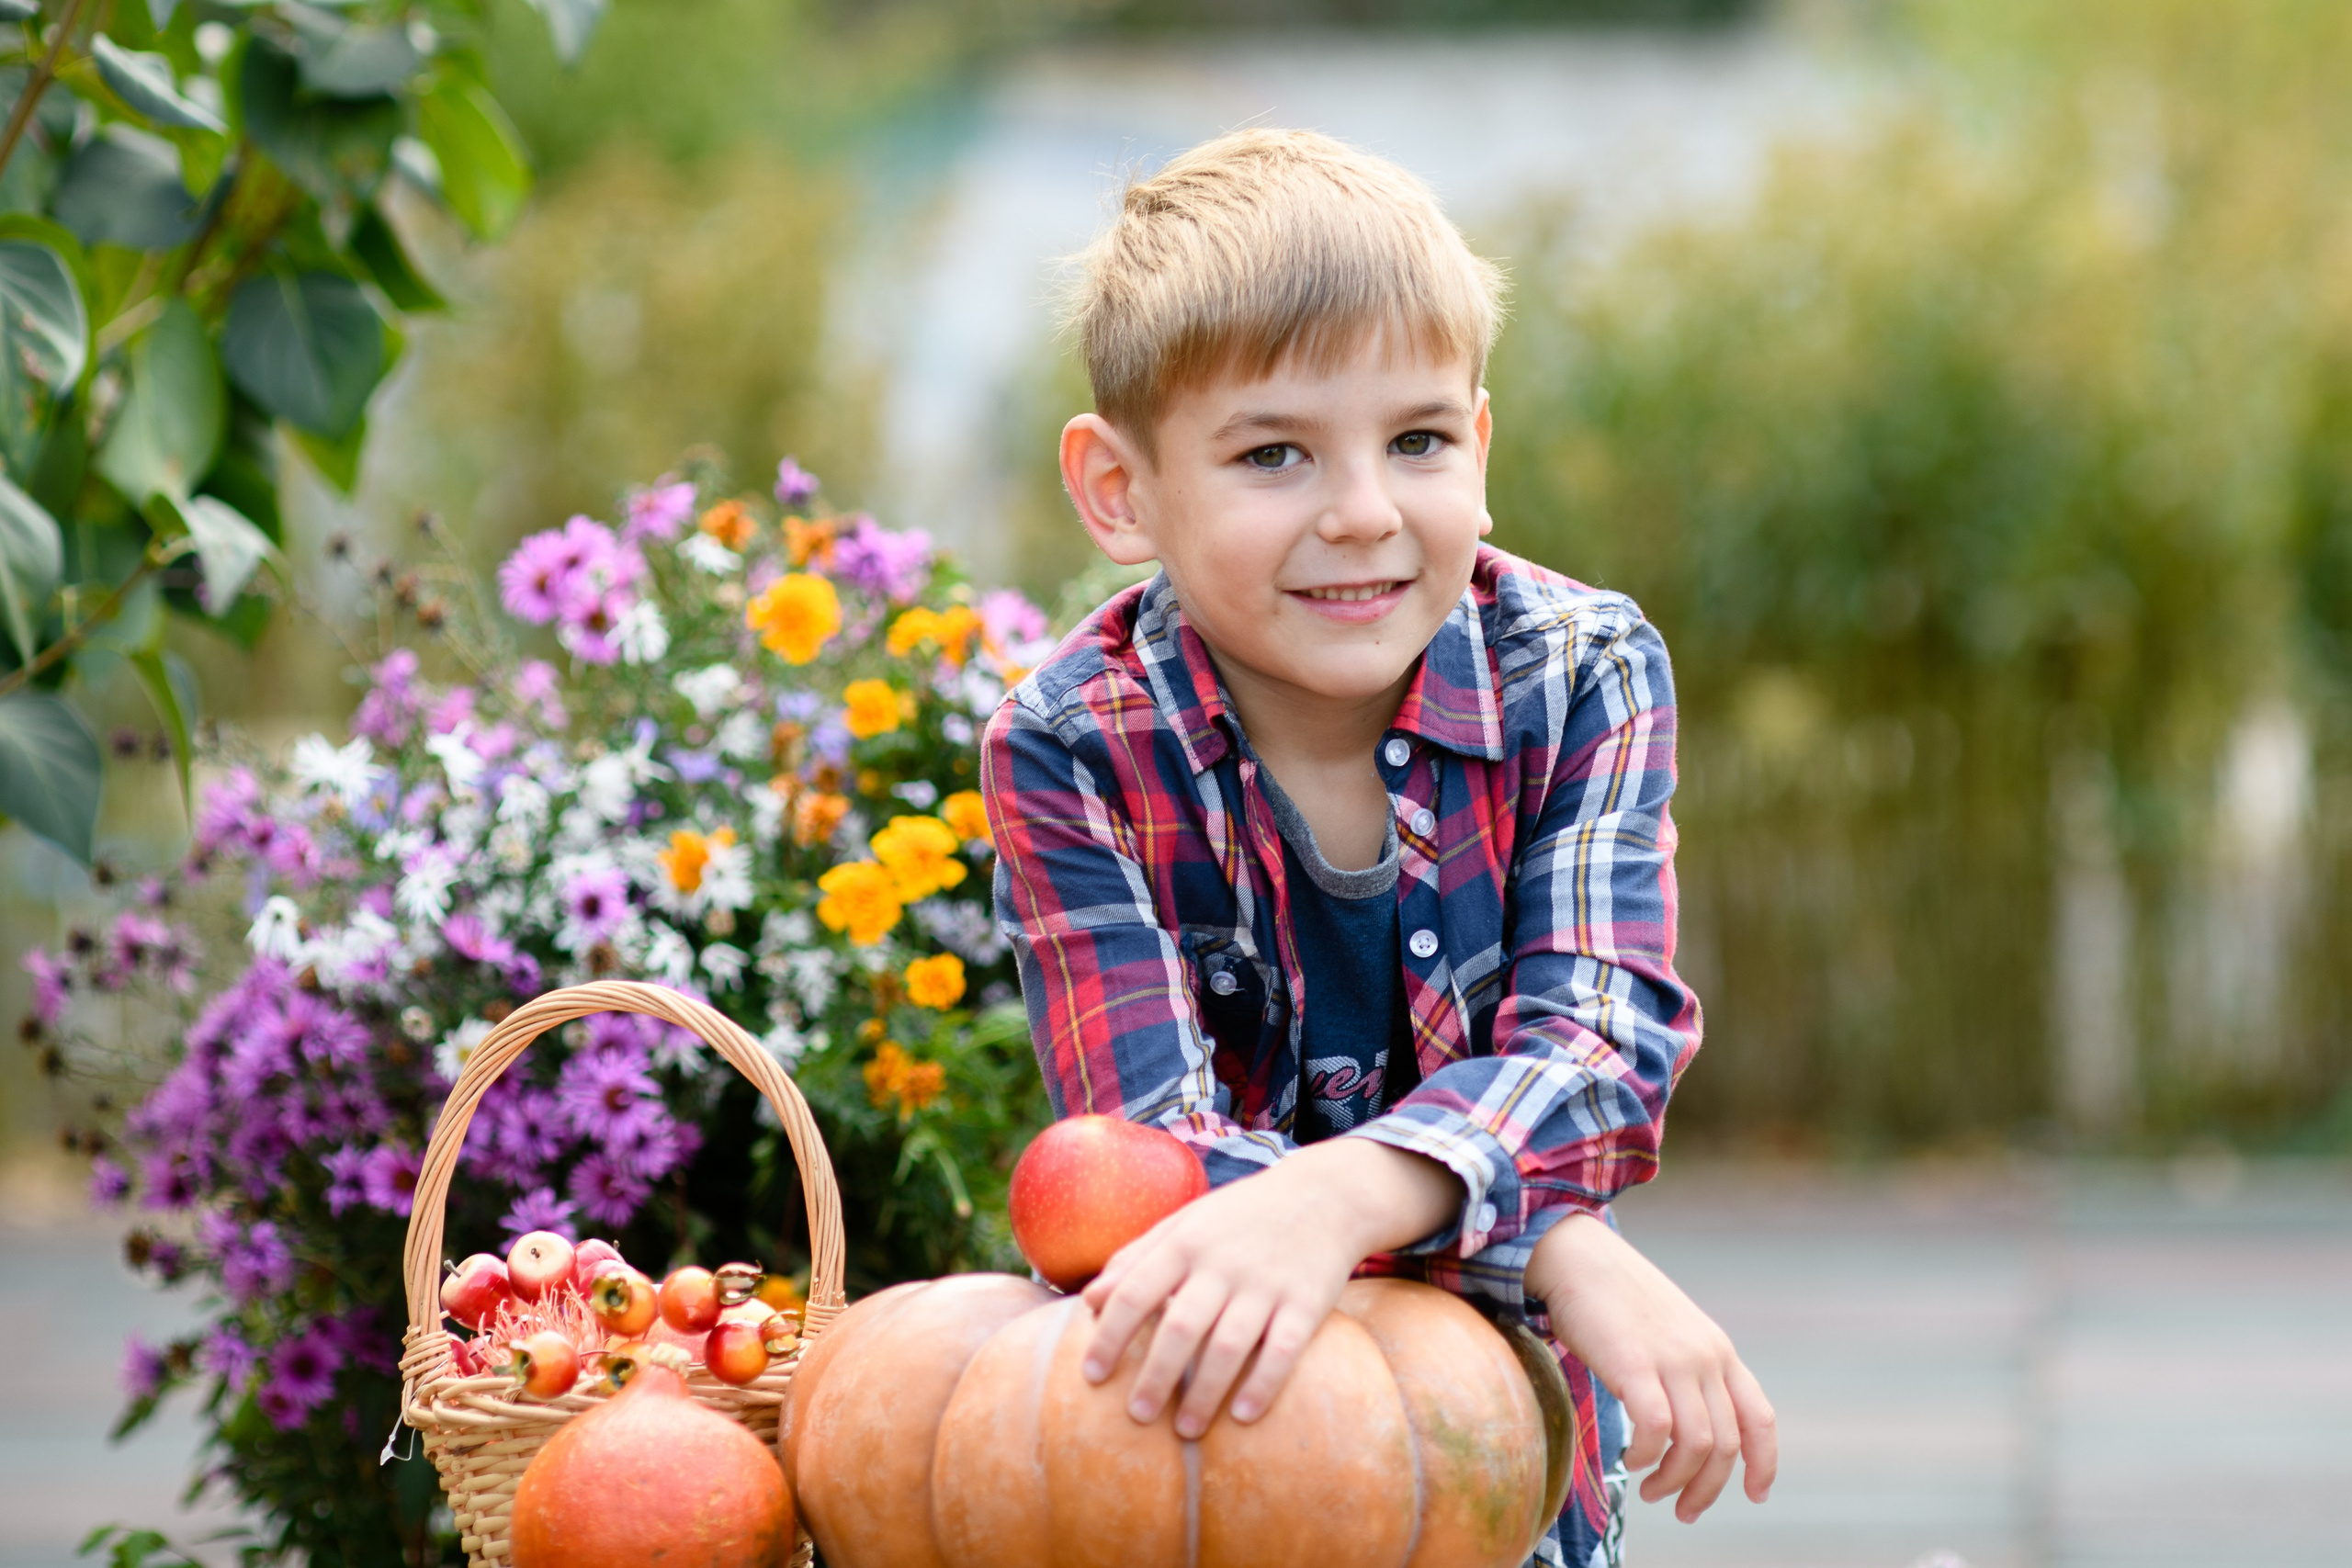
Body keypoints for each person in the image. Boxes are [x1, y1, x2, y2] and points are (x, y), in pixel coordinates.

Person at [979, 128, 1774, 1567]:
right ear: (1120, 492)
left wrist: (1345, 1194)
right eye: (1274, 453)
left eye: (1415, 440)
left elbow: (1601, 1050)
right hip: (1202, 1443)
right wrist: (1549, 1239)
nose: (1362, 511)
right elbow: (1143, 1167)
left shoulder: (1582, 672)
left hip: (1497, 1454)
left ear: (1480, 444)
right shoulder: (1070, 748)